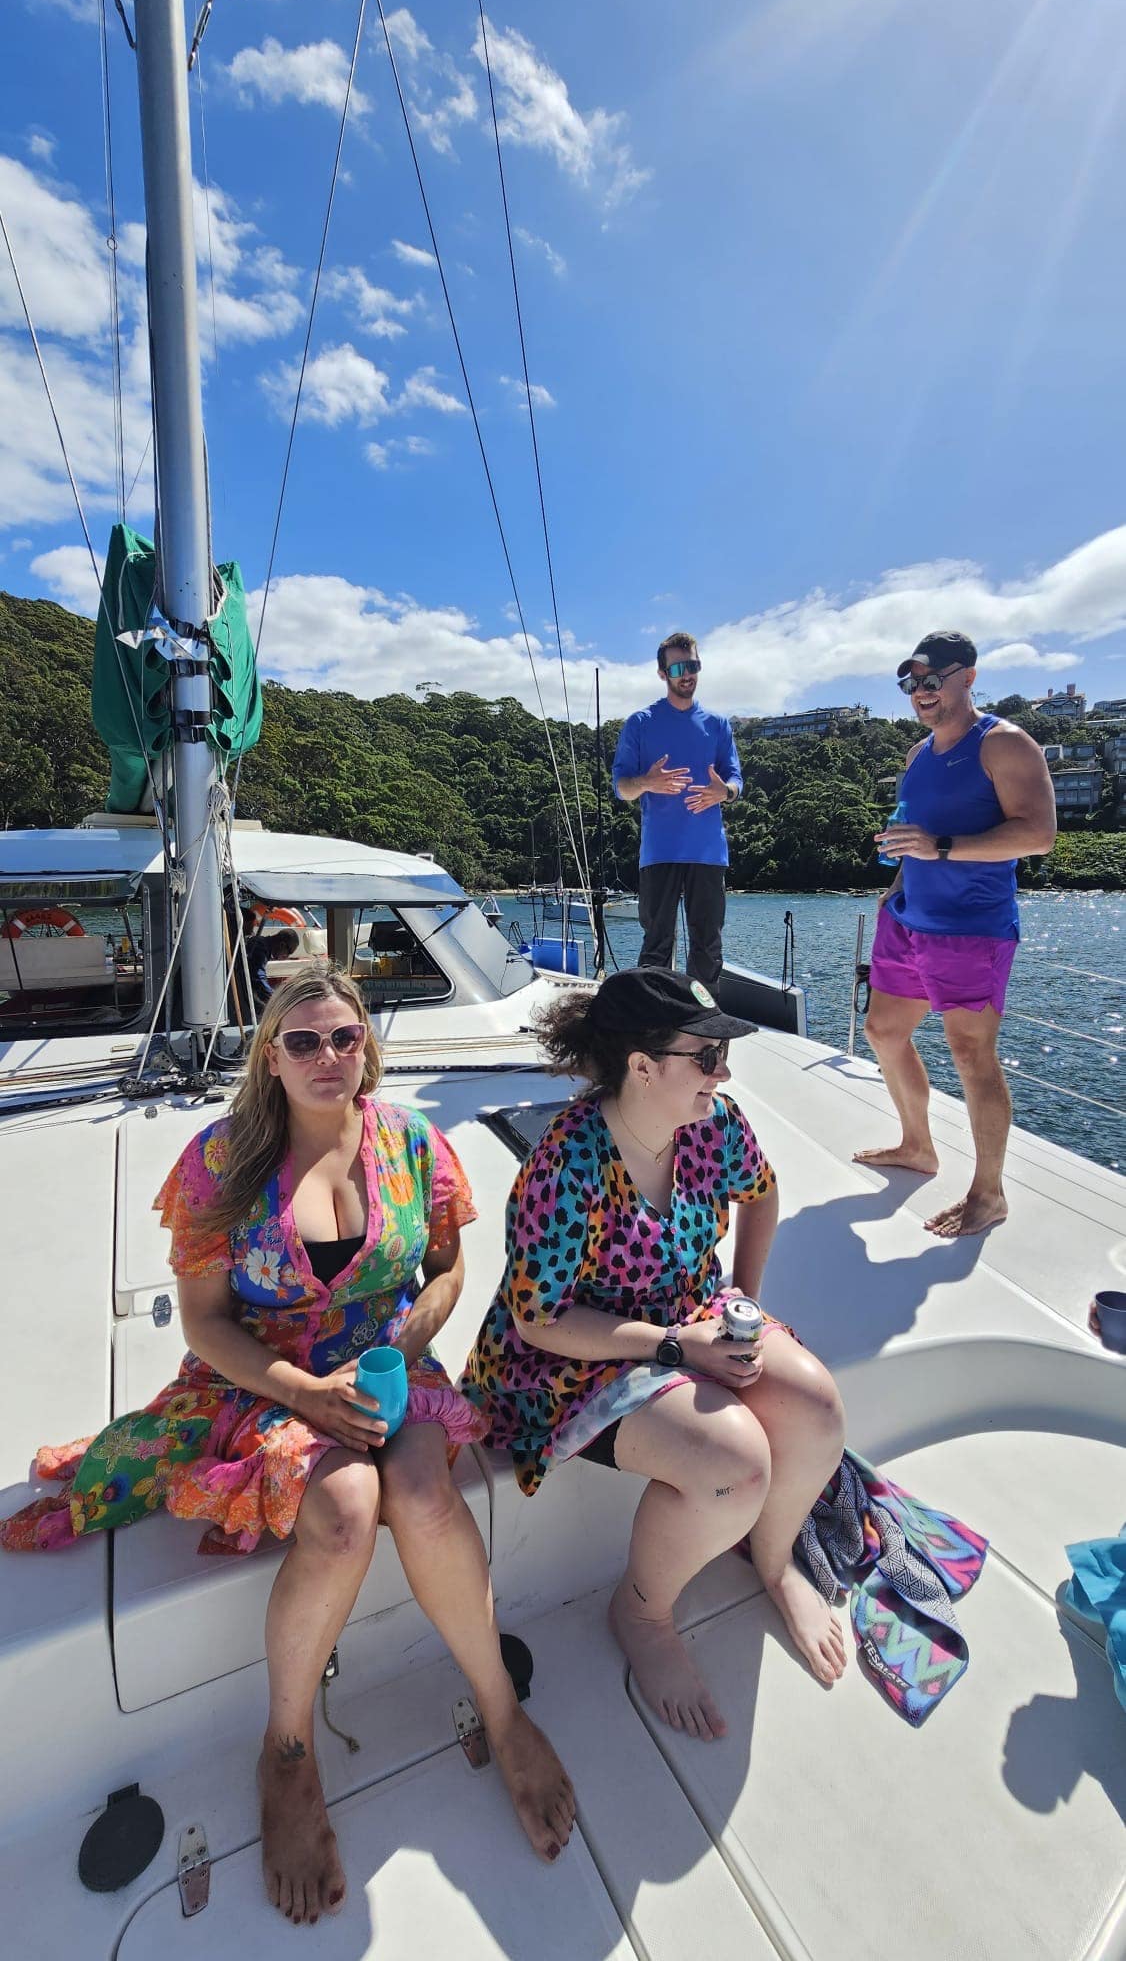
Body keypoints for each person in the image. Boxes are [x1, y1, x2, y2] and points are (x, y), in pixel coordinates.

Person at [1, 964, 574, 1921]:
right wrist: (307, 1393)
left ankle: (503, 1714)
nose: (327, 1055)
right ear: (271, 1057)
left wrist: (404, 1346)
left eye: (345, 1036)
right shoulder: (220, 1163)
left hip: (386, 1366)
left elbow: (445, 1271)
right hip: (265, 1377)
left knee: (423, 1492)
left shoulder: (413, 1144)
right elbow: (205, 1324)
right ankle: (287, 1749)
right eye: (303, 1041)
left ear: (366, 1047)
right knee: (346, 1510)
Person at [461, 968, 847, 1740]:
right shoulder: (566, 1167)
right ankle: (642, 1613)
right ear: (642, 1066)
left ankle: (772, 1562)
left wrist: (743, 1307)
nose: (722, 1073)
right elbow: (539, 1319)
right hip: (569, 1361)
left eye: (722, 1057)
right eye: (705, 1057)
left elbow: (762, 1194)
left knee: (817, 1410)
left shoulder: (714, 1125)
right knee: (735, 1463)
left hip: (690, 1315)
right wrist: (677, 1346)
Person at [854, 631, 1057, 1237]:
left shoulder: (1004, 744)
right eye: (910, 682)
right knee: (883, 1031)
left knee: (971, 1054)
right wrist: (898, 881)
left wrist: (940, 847)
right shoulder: (917, 755)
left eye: (931, 680)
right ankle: (918, 1146)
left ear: (967, 676)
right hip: (907, 917)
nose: (920, 691)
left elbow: (1038, 835)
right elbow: (913, 832)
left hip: (971, 927)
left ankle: (989, 1194)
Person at [612, 633, 742, 985]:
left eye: (693, 665)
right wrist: (646, 782)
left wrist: (726, 792)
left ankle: (703, 1017)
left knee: (707, 949)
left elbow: (735, 779)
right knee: (656, 947)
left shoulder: (718, 725)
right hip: (659, 853)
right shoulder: (640, 723)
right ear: (662, 673)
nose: (687, 674)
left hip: (708, 853)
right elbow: (621, 788)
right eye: (678, 668)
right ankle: (654, 1015)